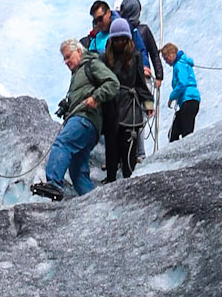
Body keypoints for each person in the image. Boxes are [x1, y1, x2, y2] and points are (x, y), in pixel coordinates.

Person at [30, 40, 119, 202]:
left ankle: (54, 183)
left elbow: (113, 83)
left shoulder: (91, 65)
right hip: (90, 126)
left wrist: (95, 97)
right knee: (77, 172)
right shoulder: (78, 73)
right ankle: (95, 203)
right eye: (64, 59)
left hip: (85, 118)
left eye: (68, 56)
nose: (66, 62)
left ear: (79, 51)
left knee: (63, 143)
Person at [102, 19, 152, 181]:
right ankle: (110, 181)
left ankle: (128, 184)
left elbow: (140, 84)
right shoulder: (104, 59)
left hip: (130, 110)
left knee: (128, 155)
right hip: (110, 110)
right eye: (116, 39)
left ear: (128, 39)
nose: (119, 42)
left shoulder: (135, 57)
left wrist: (148, 104)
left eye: (123, 39)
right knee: (111, 152)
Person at [117, 0, 164, 86]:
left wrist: (159, 76)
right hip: (132, 76)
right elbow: (154, 54)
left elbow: (154, 54)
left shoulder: (143, 30)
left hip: (139, 75)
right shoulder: (122, 31)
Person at [160, 43, 200, 139]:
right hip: (190, 100)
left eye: (166, 58)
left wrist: (172, 97)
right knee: (175, 132)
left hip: (188, 99)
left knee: (186, 132)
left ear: (172, 54)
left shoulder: (179, 65)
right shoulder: (183, 62)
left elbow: (182, 83)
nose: (166, 62)